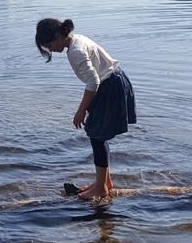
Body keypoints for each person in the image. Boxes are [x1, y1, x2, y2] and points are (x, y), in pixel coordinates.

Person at [36, 18, 136, 201]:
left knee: (96, 136)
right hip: (114, 80)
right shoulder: (77, 40)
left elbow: (93, 81)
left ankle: (101, 189)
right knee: (98, 135)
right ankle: (104, 183)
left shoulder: (75, 51)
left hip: (110, 85)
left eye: (49, 45)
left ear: (58, 36)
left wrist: (81, 110)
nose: (50, 50)